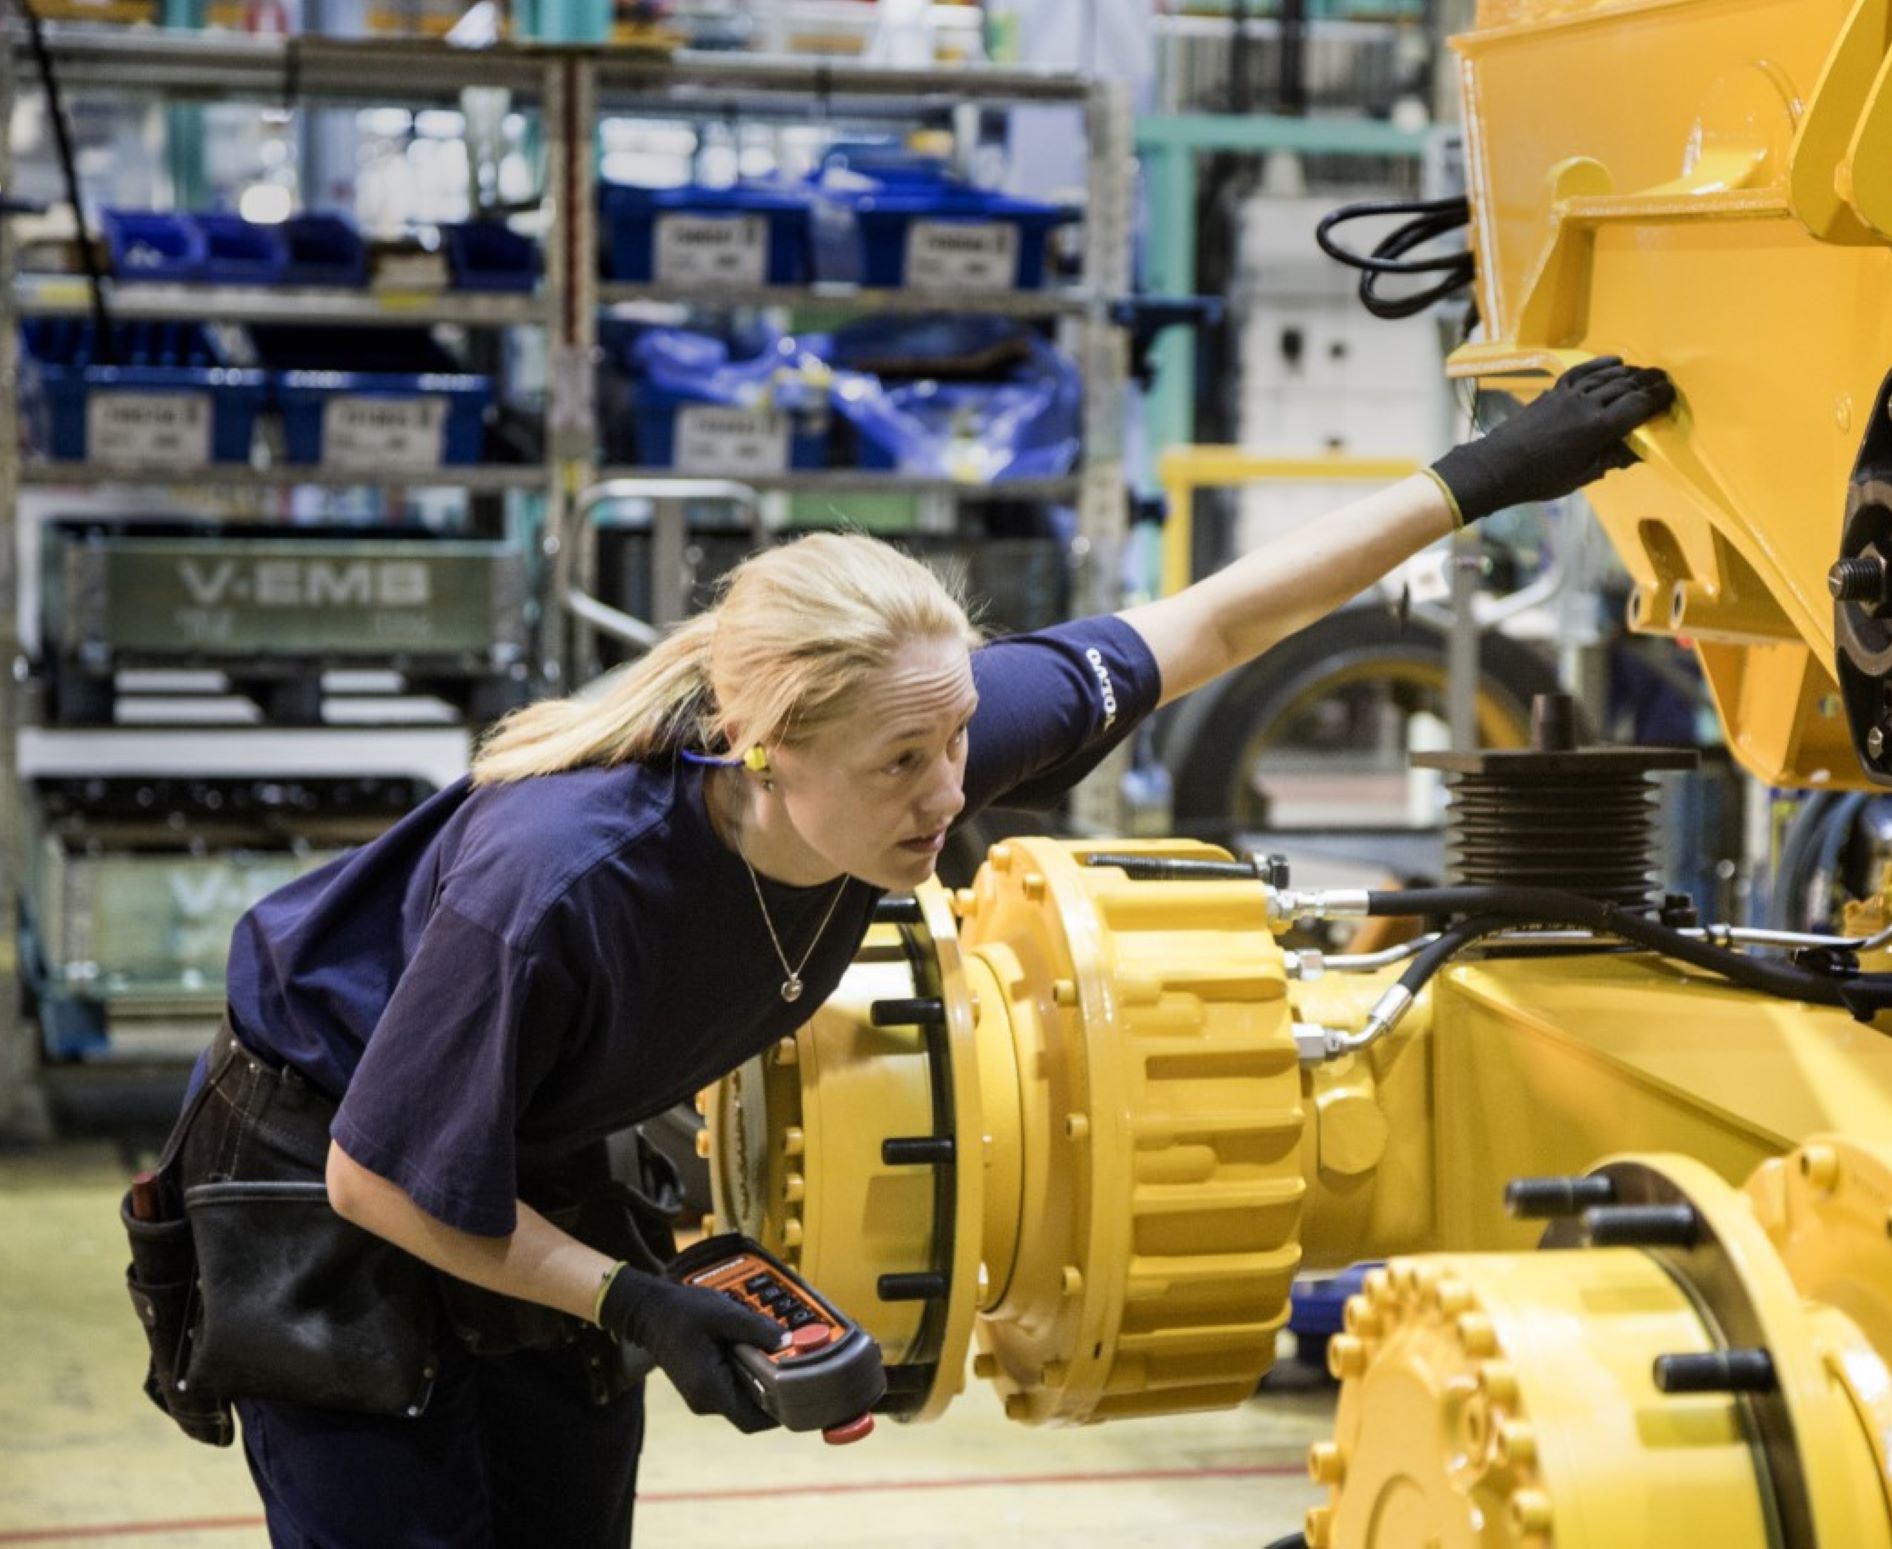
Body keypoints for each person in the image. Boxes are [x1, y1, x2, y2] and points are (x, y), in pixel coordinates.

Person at [120, 355, 1673, 1546]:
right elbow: (383, 1176)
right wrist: (635, 1302)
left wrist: (1476, 479)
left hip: (536, 1137)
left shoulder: (909, 738)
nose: (951, 797)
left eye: (956, 744)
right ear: (760, 748)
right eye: (902, 767)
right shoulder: (562, 882)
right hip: (329, 1172)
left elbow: (1209, 625)